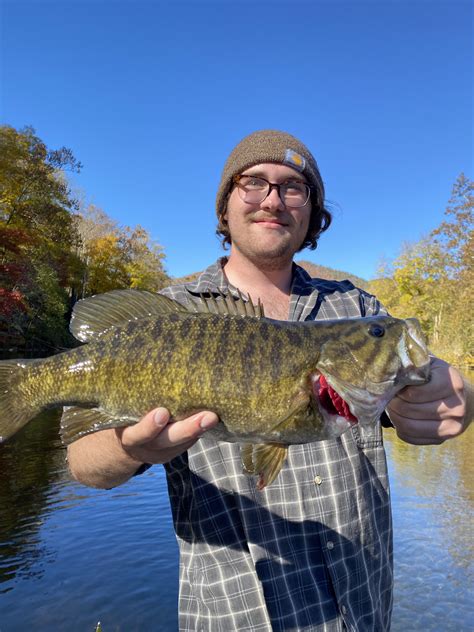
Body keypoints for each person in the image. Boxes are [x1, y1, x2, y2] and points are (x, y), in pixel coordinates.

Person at [67, 130, 470, 631]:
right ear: (226, 204)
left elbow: (424, 380)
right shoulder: (174, 315)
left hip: (363, 609)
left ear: (312, 211)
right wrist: (131, 449)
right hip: (237, 618)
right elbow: (83, 464)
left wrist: (455, 393)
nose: (273, 200)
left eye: (293, 187)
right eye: (253, 182)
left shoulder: (356, 308)